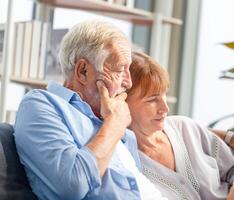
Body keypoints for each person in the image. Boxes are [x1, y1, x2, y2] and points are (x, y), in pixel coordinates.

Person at [14, 20, 167, 200]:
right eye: (119, 71)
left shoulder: (110, 116)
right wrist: (114, 125)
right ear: (83, 71)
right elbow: (72, 185)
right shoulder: (41, 104)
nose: (128, 82)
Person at [124, 51, 234, 200]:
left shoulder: (185, 129)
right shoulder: (124, 162)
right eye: (152, 99)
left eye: (164, 94)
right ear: (122, 102)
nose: (165, 108)